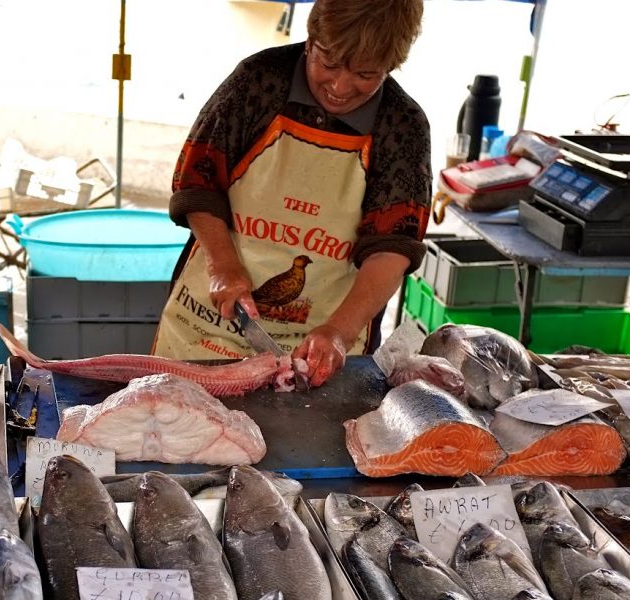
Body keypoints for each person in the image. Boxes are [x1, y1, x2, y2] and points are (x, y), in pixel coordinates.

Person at [152, 0, 431, 388]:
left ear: (391, 65)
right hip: (205, 331)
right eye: (328, 62)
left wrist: (339, 332)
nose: (339, 87)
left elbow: (392, 248)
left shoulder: (403, 126)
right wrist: (222, 265)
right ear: (311, 39)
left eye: (366, 74)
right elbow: (197, 183)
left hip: (318, 350)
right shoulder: (257, 82)